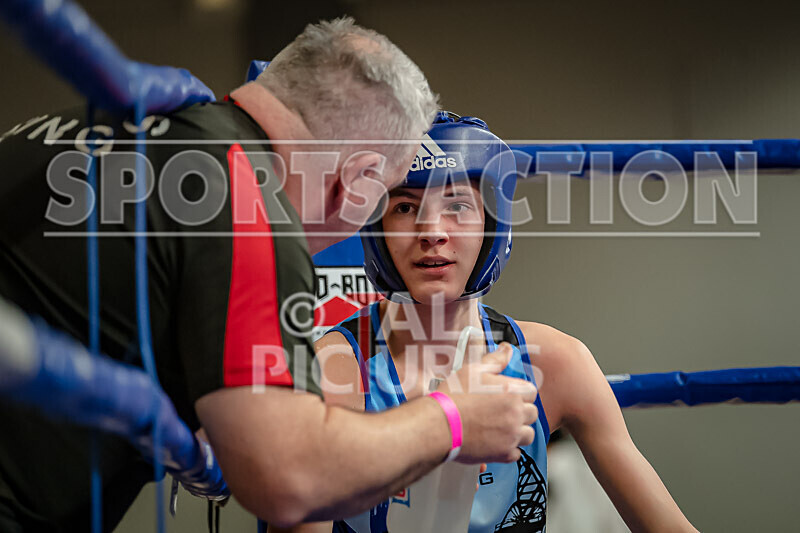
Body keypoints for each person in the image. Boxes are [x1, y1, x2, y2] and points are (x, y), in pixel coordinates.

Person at [0, 19, 538, 532]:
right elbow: (290, 479)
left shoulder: (83, 127)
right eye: (386, 199)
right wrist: (452, 420)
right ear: (358, 179)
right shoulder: (249, 206)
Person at [285, 112, 698, 532]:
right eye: (405, 207)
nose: (432, 232)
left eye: (457, 206)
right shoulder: (332, 370)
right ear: (377, 229)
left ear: (491, 223)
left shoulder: (556, 363)